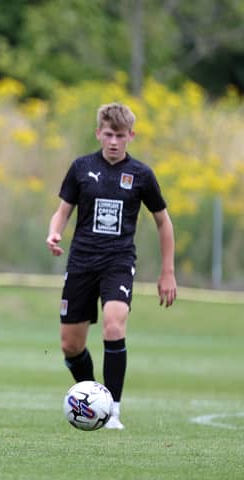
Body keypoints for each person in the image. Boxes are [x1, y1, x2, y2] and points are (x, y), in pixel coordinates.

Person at [46, 102, 177, 430]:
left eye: (120, 135)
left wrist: (168, 271)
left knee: (114, 326)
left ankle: (112, 410)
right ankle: (93, 400)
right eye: (108, 134)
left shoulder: (142, 175)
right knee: (70, 345)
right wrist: (54, 232)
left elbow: (163, 222)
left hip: (118, 261)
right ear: (98, 134)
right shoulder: (81, 167)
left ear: (131, 135)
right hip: (81, 262)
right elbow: (63, 210)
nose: (114, 141)